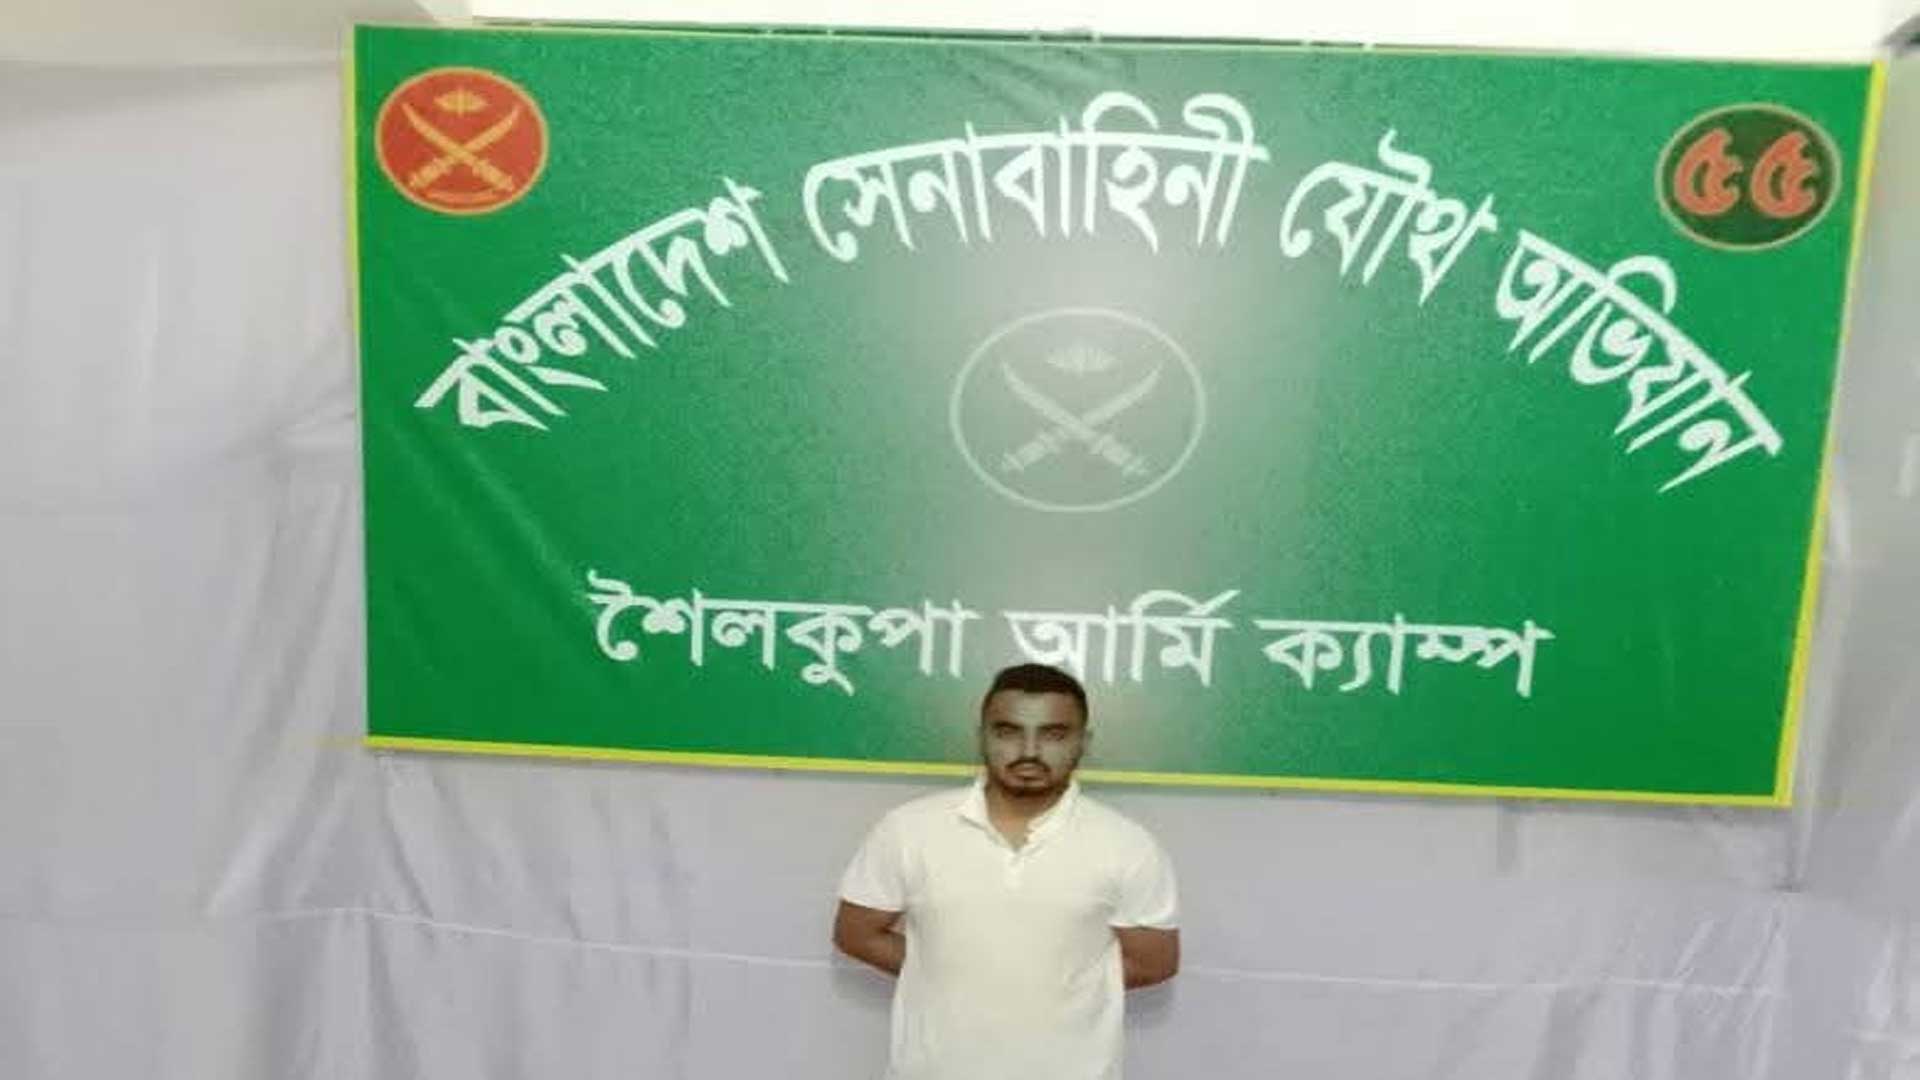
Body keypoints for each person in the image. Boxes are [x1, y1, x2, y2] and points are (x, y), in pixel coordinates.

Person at [833, 662, 1180, 1080]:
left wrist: (1049, 985)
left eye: (1053, 734)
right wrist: (948, 969)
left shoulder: (1127, 845)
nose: (1029, 751)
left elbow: (1154, 962)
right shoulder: (908, 829)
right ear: (982, 735)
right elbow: (856, 934)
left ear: (1083, 742)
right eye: (1008, 731)